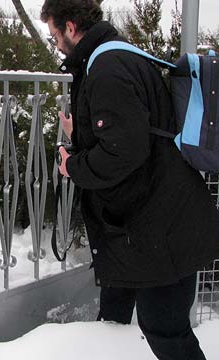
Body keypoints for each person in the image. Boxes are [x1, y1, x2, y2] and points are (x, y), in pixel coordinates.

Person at [40, 0, 219, 359]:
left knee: (165, 330)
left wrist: (71, 166)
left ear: (72, 27)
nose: (56, 44)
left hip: (158, 225)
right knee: (140, 318)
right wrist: (84, 134)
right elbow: (137, 131)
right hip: (159, 215)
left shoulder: (106, 68)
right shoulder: (119, 55)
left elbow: (125, 151)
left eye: (55, 35)